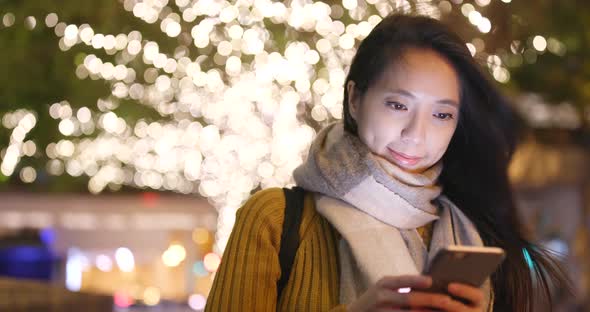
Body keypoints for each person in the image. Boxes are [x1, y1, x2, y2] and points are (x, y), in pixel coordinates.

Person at [205, 14, 569, 311]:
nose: (416, 133)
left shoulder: (470, 233)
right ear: (354, 100)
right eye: (398, 105)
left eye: (442, 115)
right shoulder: (275, 219)